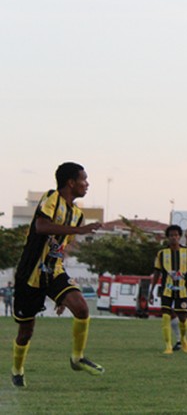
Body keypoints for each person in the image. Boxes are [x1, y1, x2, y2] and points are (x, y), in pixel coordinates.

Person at [11, 162, 105, 387]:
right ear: (71, 182)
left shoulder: (77, 214)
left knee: (81, 308)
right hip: (30, 273)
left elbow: (62, 247)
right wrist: (79, 230)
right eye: (84, 179)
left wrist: (62, 296)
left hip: (54, 271)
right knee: (26, 331)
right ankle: (17, 369)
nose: (87, 184)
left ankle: (77, 358)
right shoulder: (52, 197)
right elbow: (41, 227)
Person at [151, 225, 187, 354]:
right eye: (171, 235)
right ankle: (168, 346)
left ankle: (183, 339)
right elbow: (156, 273)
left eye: (176, 235)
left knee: (182, 318)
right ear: (168, 237)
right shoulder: (162, 253)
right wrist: (151, 290)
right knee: (166, 316)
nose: (174, 237)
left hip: (182, 290)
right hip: (167, 290)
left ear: (179, 236)